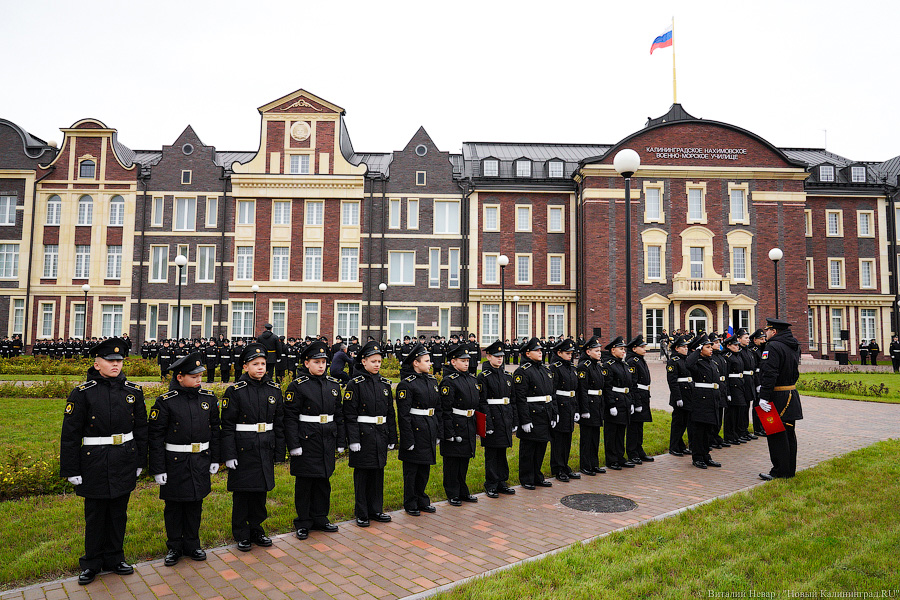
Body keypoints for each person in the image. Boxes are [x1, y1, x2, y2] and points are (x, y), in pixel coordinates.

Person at [60, 338, 147, 585]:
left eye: (119, 361)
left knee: (119, 512)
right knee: (96, 514)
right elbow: (70, 434)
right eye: (110, 361)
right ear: (97, 364)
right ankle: (92, 562)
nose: (116, 365)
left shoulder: (133, 391)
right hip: (94, 461)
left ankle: (115, 557)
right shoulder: (82, 393)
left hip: (123, 459)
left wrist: (141, 460)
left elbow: (141, 428)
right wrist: (71, 469)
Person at [148, 351, 221, 567]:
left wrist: (216, 458)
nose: (199, 380)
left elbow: (215, 429)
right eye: (194, 376)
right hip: (175, 462)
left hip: (200, 460)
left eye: (200, 376)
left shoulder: (208, 399)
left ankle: (192, 543)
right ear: (179, 377)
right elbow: (156, 436)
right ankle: (174, 546)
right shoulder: (166, 402)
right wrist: (158, 468)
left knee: (195, 504)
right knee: (174, 506)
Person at [220, 343, 284, 551]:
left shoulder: (273, 389)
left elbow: (280, 422)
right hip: (243, 448)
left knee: (260, 492)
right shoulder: (235, 391)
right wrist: (228, 454)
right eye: (255, 364)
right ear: (245, 367)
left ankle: (256, 529)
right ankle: (241, 532)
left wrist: (279, 450)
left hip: (265, 445)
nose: (260, 368)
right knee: (243, 492)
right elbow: (227, 425)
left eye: (263, 364)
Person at [284, 340, 345, 539]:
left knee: (323, 480)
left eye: (324, 362)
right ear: (307, 363)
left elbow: (339, 415)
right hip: (306, 439)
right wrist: (293, 445)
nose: (321, 365)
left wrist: (341, 441)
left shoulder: (333, 386)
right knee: (305, 482)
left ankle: (320, 517)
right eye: (317, 362)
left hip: (327, 437)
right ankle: (303, 521)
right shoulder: (297, 386)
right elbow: (290, 418)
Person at [344, 340, 396, 527]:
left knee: (377, 473)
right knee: (363, 475)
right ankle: (362, 512)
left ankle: (376, 509)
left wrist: (392, 437)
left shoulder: (384, 384)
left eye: (379, 361)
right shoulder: (355, 384)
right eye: (373, 361)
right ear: (363, 362)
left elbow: (390, 412)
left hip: (380, 433)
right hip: (363, 435)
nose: (377, 365)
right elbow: (349, 415)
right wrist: (353, 439)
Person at [396, 343, 441, 515]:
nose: (431, 364)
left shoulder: (431, 381)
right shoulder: (407, 384)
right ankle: (411, 502)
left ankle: (422, 499)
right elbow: (404, 415)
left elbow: (438, 408)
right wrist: (407, 439)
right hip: (415, 430)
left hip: (429, 427)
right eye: (427, 361)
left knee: (424, 468)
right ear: (416, 363)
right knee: (412, 470)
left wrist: (437, 431)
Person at [758, 318, 803, 481]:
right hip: (791, 394)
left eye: (767, 330)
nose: (765, 333)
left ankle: (778, 471)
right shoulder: (793, 345)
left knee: (776, 435)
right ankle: (789, 470)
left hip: (776, 397)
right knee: (789, 434)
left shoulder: (772, 347)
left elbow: (770, 374)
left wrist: (763, 397)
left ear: (774, 331)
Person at [440, 342, 481, 505]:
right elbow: (445, 409)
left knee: (464, 459)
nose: (466, 363)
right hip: (455, 424)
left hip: (468, 423)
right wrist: (448, 432)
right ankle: (452, 492)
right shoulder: (449, 381)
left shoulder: (471, 379)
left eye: (467, 360)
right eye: (462, 360)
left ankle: (462, 490)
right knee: (452, 462)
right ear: (453, 361)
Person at [513, 337, 558, 489]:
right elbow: (520, 398)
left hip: (545, 413)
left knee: (541, 446)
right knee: (529, 449)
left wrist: (554, 414)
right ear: (527, 353)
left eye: (541, 350)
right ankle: (526, 477)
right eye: (537, 351)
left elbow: (552, 394)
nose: (540, 353)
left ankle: (537, 475)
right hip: (532, 415)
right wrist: (524, 420)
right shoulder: (523, 371)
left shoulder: (546, 370)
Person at [477, 340, 517, 498]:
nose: (500, 359)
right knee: (492, 453)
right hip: (493, 417)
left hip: (505, 416)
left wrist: (514, 421)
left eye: (502, 356)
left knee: (502, 451)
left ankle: (502, 481)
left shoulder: (507, 375)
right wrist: (488, 423)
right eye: (496, 356)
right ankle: (491, 483)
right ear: (488, 357)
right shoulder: (484, 377)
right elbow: (482, 402)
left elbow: (512, 399)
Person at [684, 334, 722, 470]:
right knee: (699, 430)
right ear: (700, 349)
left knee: (709, 430)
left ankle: (706, 455)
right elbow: (688, 363)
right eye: (707, 347)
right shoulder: (697, 363)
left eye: (711, 346)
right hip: (701, 400)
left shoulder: (711, 362)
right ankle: (697, 457)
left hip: (712, 399)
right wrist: (697, 349)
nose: (711, 349)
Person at [549, 338, 580, 481]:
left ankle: (565, 465)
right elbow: (553, 391)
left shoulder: (572, 368)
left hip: (570, 405)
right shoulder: (555, 368)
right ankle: (558, 468)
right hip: (560, 406)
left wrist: (577, 409)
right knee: (558, 439)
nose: (570, 355)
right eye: (567, 353)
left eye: (571, 353)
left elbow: (576, 390)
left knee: (567, 438)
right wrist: (554, 412)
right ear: (559, 353)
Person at [601, 336, 633, 470]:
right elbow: (607, 387)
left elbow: (629, 385)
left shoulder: (624, 365)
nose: (624, 351)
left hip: (624, 400)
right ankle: (611, 459)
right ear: (613, 350)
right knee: (612, 433)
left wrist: (630, 401)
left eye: (624, 349)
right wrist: (611, 405)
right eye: (621, 349)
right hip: (615, 401)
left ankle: (620, 457)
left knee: (621, 432)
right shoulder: (609, 366)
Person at [575, 335, 605, 475]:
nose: (599, 353)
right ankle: (585, 465)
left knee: (595, 437)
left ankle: (594, 463)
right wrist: (584, 409)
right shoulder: (583, 366)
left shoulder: (597, 366)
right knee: (587, 438)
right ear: (588, 352)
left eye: (599, 351)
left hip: (597, 405)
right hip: (589, 405)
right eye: (596, 351)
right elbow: (582, 390)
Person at [624, 335, 654, 464]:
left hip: (643, 394)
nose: (645, 349)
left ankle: (638, 449)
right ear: (634, 349)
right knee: (634, 426)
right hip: (638, 395)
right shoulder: (632, 361)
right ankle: (632, 452)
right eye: (642, 347)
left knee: (639, 425)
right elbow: (633, 383)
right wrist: (635, 402)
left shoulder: (639, 359)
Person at [666, 335, 693, 456]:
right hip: (680, 395)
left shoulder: (687, 359)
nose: (686, 349)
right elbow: (672, 382)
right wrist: (678, 398)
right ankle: (674, 447)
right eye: (683, 347)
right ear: (677, 348)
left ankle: (680, 445)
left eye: (687, 346)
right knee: (678, 423)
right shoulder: (673, 361)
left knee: (684, 422)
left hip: (688, 394)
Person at [722, 335, 748, 446]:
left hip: (739, 384)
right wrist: (727, 392)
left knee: (739, 410)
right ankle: (729, 435)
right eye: (735, 345)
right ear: (728, 346)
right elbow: (726, 375)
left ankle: (736, 433)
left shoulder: (737, 355)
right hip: (732, 386)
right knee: (731, 412)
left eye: (738, 345)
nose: (737, 347)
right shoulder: (727, 357)